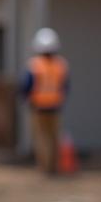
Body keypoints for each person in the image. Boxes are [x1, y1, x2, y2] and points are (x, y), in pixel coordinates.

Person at [21, 27, 69, 175]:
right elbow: (65, 86)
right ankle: (54, 167)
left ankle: (44, 168)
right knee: (54, 138)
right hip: (55, 107)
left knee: (42, 139)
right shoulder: (60, 64)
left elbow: (26, 86)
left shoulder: (35, 65)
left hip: (38, 108)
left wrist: (25, 99)